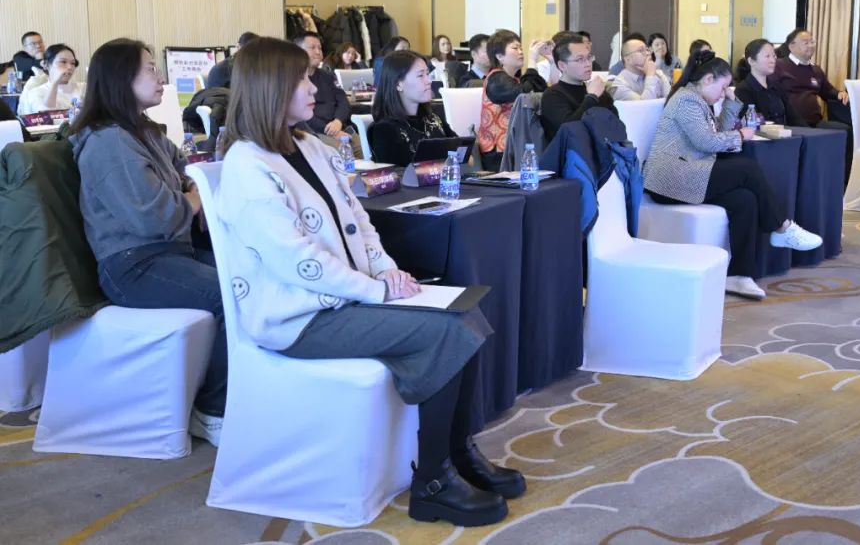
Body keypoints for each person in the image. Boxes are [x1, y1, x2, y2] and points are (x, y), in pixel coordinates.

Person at [217, 37, 520, 527]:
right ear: (270, 88)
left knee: (467, 313)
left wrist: (384, 269)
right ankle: (434, 481)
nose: (313, 87)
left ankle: (457, 452)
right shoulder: (247, 165)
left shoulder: (309, 146)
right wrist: (375, 290)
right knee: (446, 331)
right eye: (300, 79)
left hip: (344, 299)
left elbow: (357, 218)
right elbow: (297, 262)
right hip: (299, 317)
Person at [69, 38, 227, 444]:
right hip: (134, 265)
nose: (160, 77)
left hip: (170, 254)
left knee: (253, 276)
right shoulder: (107, 141)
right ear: (122, 79)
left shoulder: (143, 131)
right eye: (150, 69)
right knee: (232, 295)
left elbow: (185, 170)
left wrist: (189, 190)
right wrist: (194, 200)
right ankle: (212, 409)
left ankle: (239, 392)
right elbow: (154, 216)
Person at [643, 50, 823, 300]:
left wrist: (730, 102)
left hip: (688, 173)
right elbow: (707, 141)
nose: (724, 92)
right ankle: (782, 226)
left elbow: (716, 132)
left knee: (745, 200)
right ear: (708, 79)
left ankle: (739, 275)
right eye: (723, 87)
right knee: (746, 168)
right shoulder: (686, 100)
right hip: (670, 179)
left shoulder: (698, 100)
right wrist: (739, 135)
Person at [774, 28, 852, 181]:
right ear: (791, 46)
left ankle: (842, 180)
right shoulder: (779, 66)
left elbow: (827, 90)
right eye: (806, 42)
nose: (811, 45)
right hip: (790, 123)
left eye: (812, 42)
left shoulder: (815, 70)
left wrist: (839, 94)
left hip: (815, 123)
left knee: (845, 131)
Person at [369, 50, 457, 166]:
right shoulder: (385, 129)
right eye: (420, 75)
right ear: (398, 84)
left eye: (427, 74)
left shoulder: (433, 118)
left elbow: (464, 151)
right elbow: (394, 173)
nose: (429, 81)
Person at [478, 30, 547, 171]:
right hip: (499, 154)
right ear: (499, 56)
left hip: (517, 146)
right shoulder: (495, 79)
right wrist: (532, 62)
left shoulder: (515, 80)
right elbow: (524, 95)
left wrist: (552, 61)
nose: (521, 52)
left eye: (521, 48)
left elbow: (541, 94)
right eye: (515, 48)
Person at [294, 32, 363, 159]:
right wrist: (331, 131)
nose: (318, 52)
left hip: (339, 126)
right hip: (315, 131)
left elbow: (343, 101)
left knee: (363, 148)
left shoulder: (328, 76)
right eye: (312, 48)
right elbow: (301, 114)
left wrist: (338, 121)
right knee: (340, 154)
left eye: (319, 48)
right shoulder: (293, 79)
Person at [540, 34, 616, 142]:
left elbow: (616, 124)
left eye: (589, 57)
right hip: (570, 151)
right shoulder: (552, 95)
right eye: (580, 59)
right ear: (562, 65)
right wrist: (592, 98)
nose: (588, 64)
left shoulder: (593, 89)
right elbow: (570, 131)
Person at [733, 39, 808, 127]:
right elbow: (752, 124)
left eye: (774, 56)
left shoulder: (776, 86)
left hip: (786, 133)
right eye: (767, 56)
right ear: (751, 61)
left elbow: (793, 116)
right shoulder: (743, 90)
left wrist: (809, 132)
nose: (773, 60)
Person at [17, 44, 83, 116]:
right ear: (46, 65)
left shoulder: (83, 88)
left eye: (73, 63)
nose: (70, 67)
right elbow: (46, 117)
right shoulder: (35, 93)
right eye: (63, 62)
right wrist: (55, 83)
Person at [610, 35, 671, 102]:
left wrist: (654, 74)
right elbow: (645, 105)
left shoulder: (657, 73)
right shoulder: (619, 84)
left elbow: (670, 101)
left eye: (647, 49)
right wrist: (650, 75)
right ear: (628, 59)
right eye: (641, 50)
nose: (648, 53)